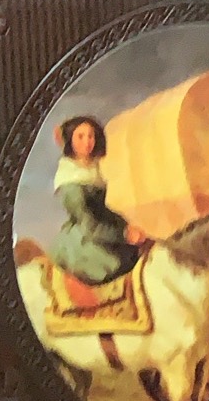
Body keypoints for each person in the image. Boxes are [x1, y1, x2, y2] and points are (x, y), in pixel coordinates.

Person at [49, 115, 144, 286]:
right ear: (70, 140)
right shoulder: (70, 182)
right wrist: (123, 234)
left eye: (91, 136)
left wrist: (126, 226)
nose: (87, 142)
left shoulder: (92, 170)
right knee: (116, 265)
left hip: (101, 233)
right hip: (83, 241)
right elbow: (89, 224)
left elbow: (102, 210)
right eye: (80, 136)